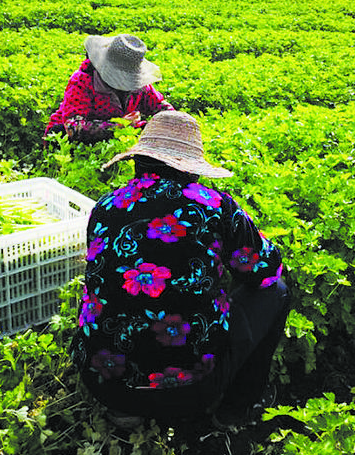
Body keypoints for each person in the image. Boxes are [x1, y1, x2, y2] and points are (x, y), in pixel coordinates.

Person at [69, 110, 290, 429]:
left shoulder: (105, 207)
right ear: (192, 169)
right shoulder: (215, 207)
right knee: (276, 292)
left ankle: (125, 408)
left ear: (138, 161)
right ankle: (235, 409)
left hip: (103, 383)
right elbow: (264, 270)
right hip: (190, 392)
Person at [45, 33, 174, 144]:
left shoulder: (138, 84)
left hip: (117, 138)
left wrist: (176, 122)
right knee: (59, 132)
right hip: (71, 139)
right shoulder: (83, 81)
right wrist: (119, 125)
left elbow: (160, 107)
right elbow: (73, 127)